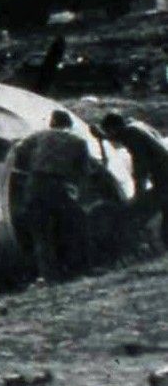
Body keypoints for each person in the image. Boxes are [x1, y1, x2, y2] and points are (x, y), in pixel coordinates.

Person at [12, 109, 92, 281]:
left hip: (34, 184)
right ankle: (75, 270)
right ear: (69, 125)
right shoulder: (78, 141)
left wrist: (29, 167)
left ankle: (49, 276)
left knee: (41, 233)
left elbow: (18, 149)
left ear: (51, 123)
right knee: (71, 228)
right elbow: (84, 171)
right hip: (59, 186)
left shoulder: (38, 136)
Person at [100, 112, 168, 244]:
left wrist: (139, 191)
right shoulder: (134, 127)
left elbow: (141, 164)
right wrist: (103, 137)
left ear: (114, 127)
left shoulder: (131, 136)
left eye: (109, 131)